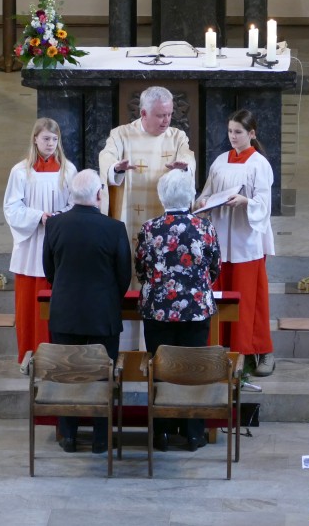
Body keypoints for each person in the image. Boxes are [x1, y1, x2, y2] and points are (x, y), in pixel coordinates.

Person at [43, 169, 132, 454]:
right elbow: (124, 276)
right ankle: (100, 438)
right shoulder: (114, 228)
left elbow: (49, 271)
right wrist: (108, 299)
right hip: (102, 316)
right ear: (98, 195)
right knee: (103, 375)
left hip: (65, 314)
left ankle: (68, 436)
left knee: (67, 375)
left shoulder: (55, 225)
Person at [98, 86, 195, 348]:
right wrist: (115, 168)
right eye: (161, 115)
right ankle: (127, 351)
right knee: (128, 274)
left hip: (165, 232)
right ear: (143, 113)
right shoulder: (121, 135)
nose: (167, 120)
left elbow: (187, 157)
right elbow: (106, 157)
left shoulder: (177, 137)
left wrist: (185, 168)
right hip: (129, 222)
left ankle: (155, 352)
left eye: (170, 114)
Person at [134, 169, 221, 452]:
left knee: (161, 369)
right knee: (192, 370)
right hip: (195, 309)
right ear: (191, 196)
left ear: (162, 197)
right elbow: (214, 268)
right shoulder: (205, 228)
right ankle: (193, 434)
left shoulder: (149, 229)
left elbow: (141, 270)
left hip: (158, 310)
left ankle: (162, 432)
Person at [197, 109, 276, 378]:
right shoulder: (220, 161)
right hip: (220, 238)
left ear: (251, 134)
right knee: (219, 296)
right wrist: (202, 202)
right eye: (230, 131)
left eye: (238, 132)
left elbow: (264, 205)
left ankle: (257, 351)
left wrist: (245, 202)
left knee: (249, 299)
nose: (233, 136)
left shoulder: (259, 164)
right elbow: (207, 193)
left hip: (246, 240)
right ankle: (219, 352)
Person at [3, 118, 77, 363]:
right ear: (35, 139)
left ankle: (56, 358)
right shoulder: (20, 171)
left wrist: (59, 217)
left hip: (58, 242)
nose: (50, 144)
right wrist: (38, 217)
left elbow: (75, 203)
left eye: (55, 139)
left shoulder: (68, 170)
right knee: (29, 307)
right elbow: (11, 207)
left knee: (56, 304)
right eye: (46, 138)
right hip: (31, 244)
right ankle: (29, 356)